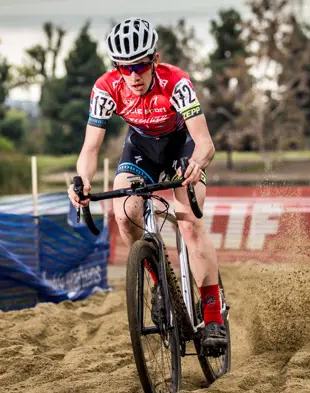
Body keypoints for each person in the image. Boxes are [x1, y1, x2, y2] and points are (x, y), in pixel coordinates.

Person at [67, 17, 227, 350]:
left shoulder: (176, 82)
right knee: (124, 212)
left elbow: (205, 142)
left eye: (140, 65)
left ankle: (213, 316)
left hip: (182, 146)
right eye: (126, 68)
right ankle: (160, 285)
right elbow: (90, 148)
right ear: (116, 67)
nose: (134, 75)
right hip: (141, 148)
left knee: (190, 223)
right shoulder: (105, 87)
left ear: (154, 59)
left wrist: (196, 166)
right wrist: (81, 181)